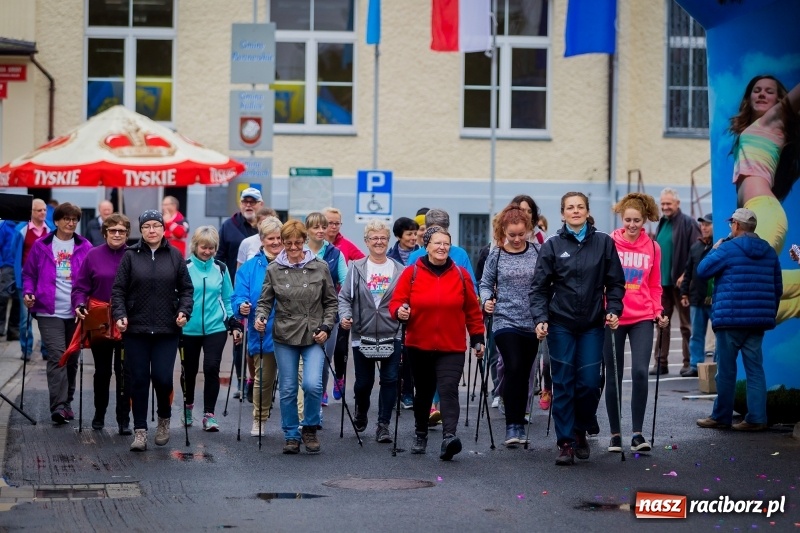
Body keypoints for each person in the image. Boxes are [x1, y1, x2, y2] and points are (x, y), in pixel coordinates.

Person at [530, 192, 625, 466]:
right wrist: (540, 318)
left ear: (587, 211)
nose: (575, 211)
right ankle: (566, 442)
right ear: (562, 213)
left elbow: (615, 283)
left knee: (589, 383)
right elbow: (538, 288)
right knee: (563, 383)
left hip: (592, 324)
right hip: (560, 323)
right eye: (570, 207)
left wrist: (614, 309)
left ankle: (581, 427)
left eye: (580, 207)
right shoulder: (552, 245)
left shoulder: (603, 243)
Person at [389, 226, 484, 461]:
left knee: (448, 389)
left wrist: (477, 337)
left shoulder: (461, 275)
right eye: (437, 243)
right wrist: (399, 311)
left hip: (451, 346)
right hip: (418, 344)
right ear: (427, 246)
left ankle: (449, 437)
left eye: (446, 243)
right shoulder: (412, 273)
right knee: (423, 392)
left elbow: (472, 311)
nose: (442, 247)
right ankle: (420, 433)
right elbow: (397, 302)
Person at [111, 210, 194, 452]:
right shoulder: (130, 256)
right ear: (141, 230)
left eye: (156, 225)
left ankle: (164, 419)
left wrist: (184, 311)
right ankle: (140, 431)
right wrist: (120, 314)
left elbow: (186, 289)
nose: (151, 230)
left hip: (167, 329)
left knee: (162, 377)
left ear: (163, 229)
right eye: (146, 226)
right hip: (136, 328)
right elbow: (118, 290)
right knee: (138, 379)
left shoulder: (174, 255)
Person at [254, 220, 338, 455]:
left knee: (312, 384)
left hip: (314, 333)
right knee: (288, 388)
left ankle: (309, 428)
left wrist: (327, 326)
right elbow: (265, 301)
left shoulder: (320, 266)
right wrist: (260, 317)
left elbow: (331, 302)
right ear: (282, 242)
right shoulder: (274, 269)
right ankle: (291, 434)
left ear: (305, 241)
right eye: (288, 243)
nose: (293, 248)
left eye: (298, 243)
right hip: (285, 334)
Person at [696, 208, 782, 431]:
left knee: (726, 370)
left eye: (731, 224)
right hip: (757, 322)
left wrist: (715, 249)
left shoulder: (727, 248)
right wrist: (766, 313)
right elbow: (777, 287)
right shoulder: (769, 251)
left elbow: (703, 270)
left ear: (736, 225)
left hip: (730, 320)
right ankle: (757, 419)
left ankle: (721, 416)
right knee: (755, 370)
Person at [729, 76, 800, 322]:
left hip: (764, 212)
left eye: (769, 91)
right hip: (750, 216)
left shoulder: (774, 119)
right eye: (756, 90)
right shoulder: (754, 130)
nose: (761, 94)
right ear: (748, 97)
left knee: (749, 279)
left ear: (780, 99)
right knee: (743, 300)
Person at [602, 193, 669, 454]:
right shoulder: (609, 243)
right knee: (614, 375)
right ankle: (615, 434)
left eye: (637, 220)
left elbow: (655, 285)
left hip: (642, 317)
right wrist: (605, 308)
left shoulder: (653, 247)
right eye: (628, 220)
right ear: (622, 218)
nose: (632, 225)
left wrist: (658, 311)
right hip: (614, 317)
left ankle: (637, 434)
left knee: (640, 371)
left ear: (645, 220)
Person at [22, 202, 93, 424]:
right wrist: (28, 292)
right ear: (56, 221)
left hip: (76, 311)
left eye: (74, 220)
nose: (71, 223)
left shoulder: (85, 246)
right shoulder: (42, 245)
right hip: (48, 310)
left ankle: (67, 402)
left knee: (72, 358)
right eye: (66, 219)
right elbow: (28, 274)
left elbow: (92, 276)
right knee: (57, 355)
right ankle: (59, 406)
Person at [479, 205, 540, 448]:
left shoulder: (537, 251)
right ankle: (512, 425)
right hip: (505, 319)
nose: (516, 239)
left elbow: (547, 282)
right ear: (503, 231)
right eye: (511, 234)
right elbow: (485, 283)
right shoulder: (496, 255)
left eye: (521, 234)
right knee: (513, 365)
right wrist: (486, 300)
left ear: (528, 230)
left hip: (532, 321)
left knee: (523, 372)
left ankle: (518, 417)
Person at [338, 220, 404, 443]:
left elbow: (406, 299)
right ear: (366, 241)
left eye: (383, 238)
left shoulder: (399, 270)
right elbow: (344, 298)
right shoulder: (356, 268)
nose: (379, 242)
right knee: (364, 383)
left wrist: (405, 311)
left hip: (391, 332)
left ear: (388, 240)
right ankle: (362, 410)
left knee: (390, 380)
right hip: (362, 333)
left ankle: (383, 425)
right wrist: (345, 316)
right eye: (374, 238)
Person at [72, 213, 132, 434]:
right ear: (105, 233)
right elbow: (80, 287)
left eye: (121, 231)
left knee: (125, 372)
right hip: (100, 320)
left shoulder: (133, 255)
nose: (116, 234)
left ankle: (124, 418)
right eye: (112, 230)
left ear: (127, 234)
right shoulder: (93, 255)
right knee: (103, 371)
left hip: (127, 320)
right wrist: (79, 303)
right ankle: (99, 413)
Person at [182, 226, 243, 432]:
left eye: (211, 248)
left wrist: (233, 322)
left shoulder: (221, 268)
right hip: (188, 328)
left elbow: (228, 298)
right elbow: (178, 297)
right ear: (195, 246)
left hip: (215, 327)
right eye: (203, 247)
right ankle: (188, 407)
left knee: (211, 368)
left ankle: (209, 415)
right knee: (189, 371)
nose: (207, 251)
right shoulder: (185, 267)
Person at [233, 217, 283, 437]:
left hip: (293, 330)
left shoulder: (293, 263)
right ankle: (259, 418)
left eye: (279, 238)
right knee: (263, 380)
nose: (275, 242)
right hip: (262, 331)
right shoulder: (250, 268)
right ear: (262, 240)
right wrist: (241, 306)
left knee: (296, 382)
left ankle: (299, 422)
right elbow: (239, 295)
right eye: (270, 238)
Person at [217, 188, 262, 399]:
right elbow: (220, 256)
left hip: (260, 293)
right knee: (239, 336)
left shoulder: (267, 226)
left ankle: (259, 380)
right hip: (236, 291)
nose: (249, 205)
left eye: (253, 202)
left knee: (259, 339)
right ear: (240, 203)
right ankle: (241, 381)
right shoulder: (229, 226)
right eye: (245, 201)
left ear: (260, 204)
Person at [651, 188, 700, 375]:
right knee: (662, 323)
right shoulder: (662, 223)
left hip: (681, 285)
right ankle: (660, 364)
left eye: (668, 203)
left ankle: (690, 363)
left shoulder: (688, 223)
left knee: (686, 325)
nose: (665, 207)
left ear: (677, 204)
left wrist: (685, 275)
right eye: (662, 203)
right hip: (662, 284)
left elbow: (696, 252)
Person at [305, 212, 347, 407]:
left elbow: (345, 283)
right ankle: (304, 398)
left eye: (324, 227)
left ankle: (320, 393)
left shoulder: (335, 253)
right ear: (307, 230)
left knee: (323, 359)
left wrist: (345, 308)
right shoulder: (299, 251)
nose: (321, 230)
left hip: (329, 316)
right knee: (304, 359)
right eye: (316, 227)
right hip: (301, 314)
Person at [12, 199, 55, 359]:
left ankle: (46, 350)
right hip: (26, 279)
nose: (43, 213)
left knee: (46, 316)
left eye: (44, 210)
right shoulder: (21, 230)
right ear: (31, 212)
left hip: (46, 280)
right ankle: (26, 350)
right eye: (39, 210)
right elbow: (13, 252)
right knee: (26, 319)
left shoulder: (51, 229)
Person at [680, 213, 715, 377]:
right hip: (696, 299)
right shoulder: (695, 247)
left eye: (707, 224)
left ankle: (719, 365)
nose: (704, 227)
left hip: (715, 299)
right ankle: (695, 366)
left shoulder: (720, 246)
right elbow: (688, 272)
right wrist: (684, 293)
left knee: (720, 335)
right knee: (696, 335)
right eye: (702, 225)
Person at [0, 219, 20, 340]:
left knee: (18, 300)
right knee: (2, 297)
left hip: (21, 267)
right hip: (7, 267)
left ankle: (13, 331)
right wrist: (1, 265)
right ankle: (0, 328)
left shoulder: (25, 226)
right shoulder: (4, 226)